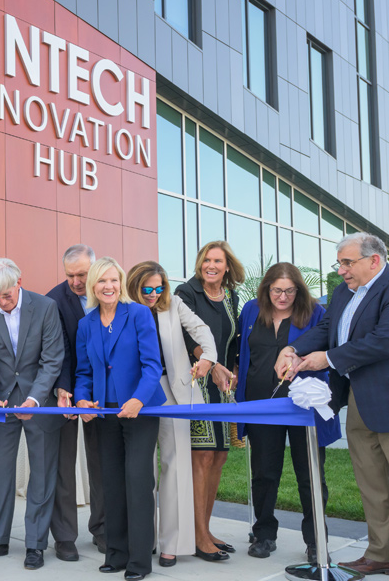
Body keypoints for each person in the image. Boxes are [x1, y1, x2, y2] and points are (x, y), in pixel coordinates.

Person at [278, 233, 389, 581]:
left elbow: (385, 340)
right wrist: (293, 350)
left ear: (374, 260)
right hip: (361, 403)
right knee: (373, 486)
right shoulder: (343, 293)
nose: (340, 270)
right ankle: (382, 554)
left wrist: (326, 358)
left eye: (347, 262)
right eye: (338, 263)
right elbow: (327, 328)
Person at [236, 262, 340, 563]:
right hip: (261, 405)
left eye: (289, 291)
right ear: (267, 289)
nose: (282, 297)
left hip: (303, 408)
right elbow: (243, 351)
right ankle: (264, 533)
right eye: (277, 290)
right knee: (265, 473)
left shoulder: (316, 312)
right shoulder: (252, 310)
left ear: (299, 290)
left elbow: (325, 347)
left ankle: (316, 541)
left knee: (310, 475)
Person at [0, 258, 64, 570]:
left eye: (6, 296)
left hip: (40, 401)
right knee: (1, 473)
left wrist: (35, 399)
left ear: (19, 282)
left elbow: (52, 360)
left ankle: (35, 544)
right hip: (3, 404)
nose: (1, 303)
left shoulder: (46, 307)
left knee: (41, 474)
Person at [73, 257, 165, 581]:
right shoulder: (86, 324)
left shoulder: (139, 313)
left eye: (113, 280)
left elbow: (153, 365)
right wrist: (82, 398)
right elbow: (83, 372)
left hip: (141, 410)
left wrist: (138, 399)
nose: (108, 286)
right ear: (93, 287)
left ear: (121, 282)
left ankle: (139, 561)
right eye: (102, 281)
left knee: (138, 483)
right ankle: (116, 553)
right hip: (105, 414)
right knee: (110, 485)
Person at [127, 261, 216, 568]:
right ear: (134, 286)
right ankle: (144, 539)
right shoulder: (124, 308)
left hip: (173, 393)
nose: (153, 293)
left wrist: (208, 358)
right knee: (143, 470)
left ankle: (172, 544)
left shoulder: (174, 304)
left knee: (176, 465)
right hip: (135, 394)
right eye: (147, 288)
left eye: (159, 287)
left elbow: (201, 330)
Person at [175, 240, 244, 561]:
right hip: (195, 382)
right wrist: (212, 365)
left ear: (227, 265)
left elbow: (232, 339)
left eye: (217, 260)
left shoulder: (231, 296)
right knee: (201, 457)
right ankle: (198, 536)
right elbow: (187, 337)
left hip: (222, 386)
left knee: (218, 458)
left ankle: (206, 527)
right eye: (206, 260)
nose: (210, 265)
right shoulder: (186, 293)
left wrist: (232, 369)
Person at [44, 244, 106, 560]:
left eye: (81, 274)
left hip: (102, 396)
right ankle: (65, 537)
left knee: (102, 463)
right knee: (64, 467)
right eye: (70, 275)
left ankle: (104, 530)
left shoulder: (109, 293)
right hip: (64, 395)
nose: (76, 281)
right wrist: (64, 390)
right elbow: (57, 350)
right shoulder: (54, 299)